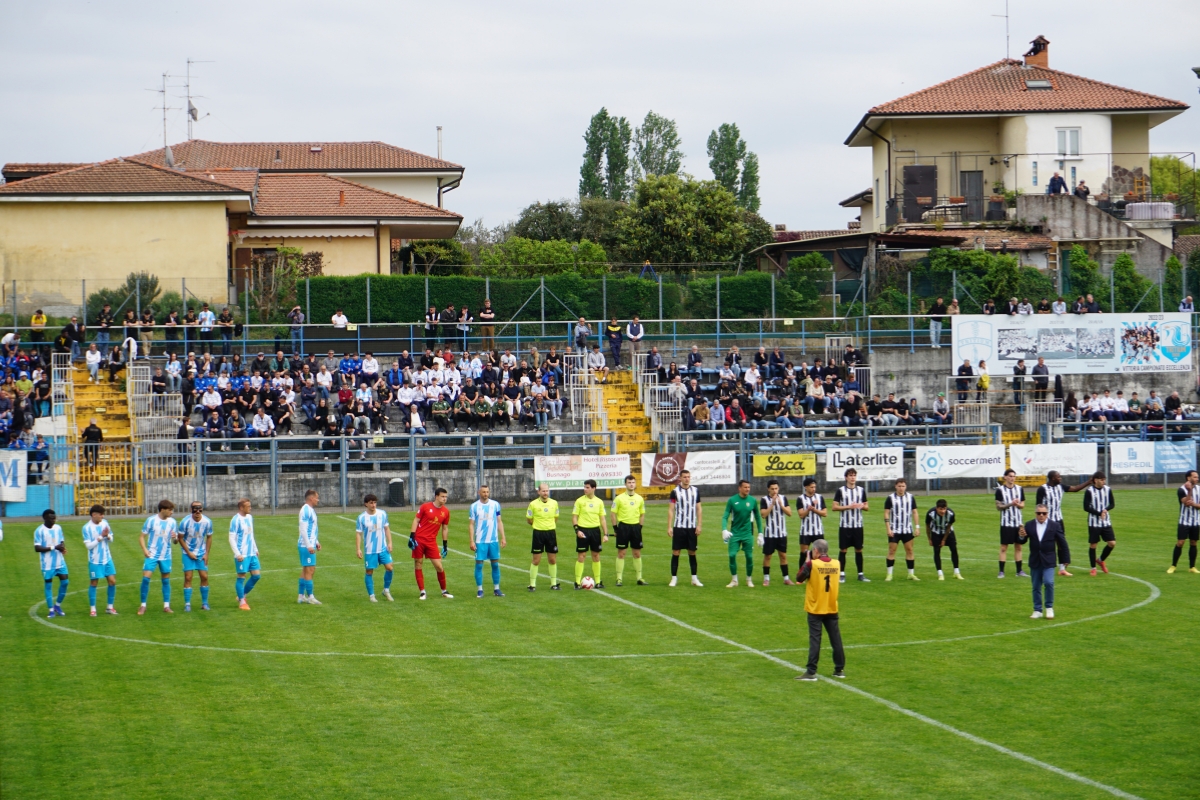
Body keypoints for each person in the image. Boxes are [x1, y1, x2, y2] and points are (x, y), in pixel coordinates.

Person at [794, 539, 846, 682]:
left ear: (815, 550)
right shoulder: (837, 563)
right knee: (836, 639)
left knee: (815, 639)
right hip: (831, 606)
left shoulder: (812, 564)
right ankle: (839, 669)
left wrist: (807, 561)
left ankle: (811, 671)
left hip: (815, 608)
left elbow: (799, 578)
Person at [1019, 504, 1068, 619]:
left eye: (1044, 513)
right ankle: (1037, 610)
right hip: (1035, 559)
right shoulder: (1029, 525)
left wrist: (1065, 559)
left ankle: (1049, 607)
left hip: (1049, 560)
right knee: (1036, 586)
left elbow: (1062, 542)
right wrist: (1021, 536)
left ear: (1047, 514)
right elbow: (1022, 541)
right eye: (1039, 513)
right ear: (1035, 514)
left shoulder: (1054, 525)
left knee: (1048, 582)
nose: (1041, 515)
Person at [410, 488, 452, 600]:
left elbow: (445, 528)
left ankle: (444, 591)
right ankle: (422, 592)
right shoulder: (425, 507)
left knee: (439, 566)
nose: (445, 499)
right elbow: (416, 520)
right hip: (419, 540)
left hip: (431, 541)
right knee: (418, 563)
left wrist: (445, 545)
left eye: (446, 497)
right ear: (436, 496)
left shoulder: (446, 512)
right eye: (443, 496)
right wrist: (412, 536)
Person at [138, 499, 177, 615]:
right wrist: (145, 550)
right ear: (162, 510)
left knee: (166, 580)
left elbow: (175, 542)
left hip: (166, 555)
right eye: (170, 510)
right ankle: (143, 605)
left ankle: (166, 606)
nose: (172, 512)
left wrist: (175, 538)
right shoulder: (151, 520)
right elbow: (141, 537)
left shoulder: (173, 522)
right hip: (152, 554)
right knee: (146, 578)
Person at [721, 479, 762, 588]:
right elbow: (725, 516)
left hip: (747, 534)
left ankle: (749, 579)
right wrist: (724, 529)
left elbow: (758, 517)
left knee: (749, 556)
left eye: (749, 487)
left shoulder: (752, 500)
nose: (747, 489)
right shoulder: (732, 500)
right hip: (735, 533)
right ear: (739, 488)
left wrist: (760, 533)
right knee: (732, 555)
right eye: (745, 487)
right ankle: (734, 580)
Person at [833, 468, 870, 583]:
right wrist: (849, 506)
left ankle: (860, 574)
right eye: (850, 475)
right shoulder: (840, 491)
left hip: (858, 525)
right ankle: (842, 574)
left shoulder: (861, 490)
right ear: (846, 478)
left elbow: (867, 506)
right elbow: (834, 507)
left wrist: (861, 506)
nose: (853, 477)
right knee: (843, 549)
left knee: (859, 549)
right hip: (845, 525)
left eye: (854, 475)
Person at [609, 475, 646, 587]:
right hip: (623, 527)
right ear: (625, 484)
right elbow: (613, 514)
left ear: (635, 484)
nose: (631, 484)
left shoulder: (639, 499)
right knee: (621, 553)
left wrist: (639, 527)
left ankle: (639, 578)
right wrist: (616, 528)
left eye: (633, 482)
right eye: (629, 482)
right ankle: (619, 578)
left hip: (635, 528)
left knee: (637, 553)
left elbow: (642, 514)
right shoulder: (619, 498)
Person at [469, 485, 506, 598]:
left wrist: (503, 537)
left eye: (487, 492)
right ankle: (480, 590)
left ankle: (496, 589)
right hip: (480, 541)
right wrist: (471, 540)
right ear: (479, 493)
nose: (486, 494)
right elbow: (471, 524)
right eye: (483, 492)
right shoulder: (474, 506)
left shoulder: (495, 505)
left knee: (495, 565)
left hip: (493, 540)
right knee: (479, 566)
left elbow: (499, 521)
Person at [356, 493, 394, 602]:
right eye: (371, 503)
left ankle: (386, 590)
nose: (373, 505)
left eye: (375, 502)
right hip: (370, 550)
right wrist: (358, 549)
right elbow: (358, 533)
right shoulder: (361, 518)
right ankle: (372, 596)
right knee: (369, 572)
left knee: (390, 568)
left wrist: (390, 542)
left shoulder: (382, 514)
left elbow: (386, 528)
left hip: (383, 548)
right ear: (366, 504)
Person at [668, 470, 702, 587]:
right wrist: (669, 526)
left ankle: (694, 578)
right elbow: (671, 509)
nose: (687, 479)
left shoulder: (695, 491)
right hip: (679, 526)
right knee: (676, 552)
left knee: (692, 552)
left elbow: (699, 508)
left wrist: (699, 525)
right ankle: (674, 578)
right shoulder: (675, 492)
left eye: (688, 477)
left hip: (691, 526)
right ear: (680, 478)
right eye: (685, 477)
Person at [82, 504, 117, 617]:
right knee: (94, 583)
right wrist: (101, 537)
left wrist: (108, 536)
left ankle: (110, 607)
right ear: (94, 515)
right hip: (95, 560)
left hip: (107, 558)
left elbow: (111, 539)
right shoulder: (86, 528)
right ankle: (93, 609)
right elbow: (88, 546)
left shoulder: (105, 523)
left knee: (112, 581)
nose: (103, 516)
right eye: (101, 514)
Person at [571, 479, 608, 589]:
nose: (585, 489)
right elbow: (574, 517)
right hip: (583, 530)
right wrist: (577, 530)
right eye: (584, 487)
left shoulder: (599, 502)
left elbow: (602, 519)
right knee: (581, 556)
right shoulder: (579, 501)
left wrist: (605, 534)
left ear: (593, 488)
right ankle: (577, 582)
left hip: (595, 531)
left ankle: (598, 582)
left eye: (587, 487)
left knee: (596, 556)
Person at [526, 482, 561, 592]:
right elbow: (529, 519)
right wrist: (538, 525)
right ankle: (532, 585)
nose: (545, 493)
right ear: (539, 492)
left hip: (551, 533)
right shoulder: (533, 504)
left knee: (552, 559)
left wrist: (549, 525)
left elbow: (556, 517)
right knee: (536, 560)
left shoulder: (554, 503)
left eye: (547, 491)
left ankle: (554, 584)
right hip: (538, 533)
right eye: (543, 491)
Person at [178, 501, 213, 612]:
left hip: (201, 553)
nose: (197, 511)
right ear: (191, 510)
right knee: (188, 577)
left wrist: (206, 554)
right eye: (195, 509)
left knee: (204, 576)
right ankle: (187, 604)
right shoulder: (185, 522)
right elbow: (180, 538)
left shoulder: (207, 522)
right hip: (187, 553)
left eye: (200, 509)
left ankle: (205, 603)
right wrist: (188, 552)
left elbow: (209, 537)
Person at [34, 509, 69, 618]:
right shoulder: (39, 531)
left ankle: (57, 606)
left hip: (60, 562)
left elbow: (61, 542)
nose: (53, 520)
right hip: (47, 564)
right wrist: (54, 547)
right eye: (51, 518)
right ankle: (51, 610)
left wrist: (62, 548)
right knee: (48, 585)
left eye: (54, 518)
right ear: (45, 518)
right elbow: (37, 548)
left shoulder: (58, 528)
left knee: (65, 582)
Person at [884, 479, 920, 581]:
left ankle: (911, 574)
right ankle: (889, 574)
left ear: (906, 487)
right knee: (892, 551)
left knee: (910, 550)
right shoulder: (890, 498)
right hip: (894, 530)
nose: (901, 488)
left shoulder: (910, 497)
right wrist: (888, 528)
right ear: (895, 486)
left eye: (903, 486)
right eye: (899, 486)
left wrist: (917, 527)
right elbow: (886, 513)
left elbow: (915, 512)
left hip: (907, 529)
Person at [229, 498, 262, 610]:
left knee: (256, 575)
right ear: (241, 508)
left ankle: (241, 595)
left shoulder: (249, 517)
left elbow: (251, 535)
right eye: (248, 506)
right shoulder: (235, 520)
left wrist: (255, 548)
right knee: (241, 577)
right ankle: (242, 602)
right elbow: (231, 538)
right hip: (242, 554)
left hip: (251, 553)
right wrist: (237, 554)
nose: (250, 508)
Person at [758, 479, 792, 586]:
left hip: (781, 533)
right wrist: (772, 504)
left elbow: (789, 513)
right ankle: (766, 578)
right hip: (770, 534)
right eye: (772, 489)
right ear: (768, 489)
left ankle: (786, 578)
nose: (774, 491)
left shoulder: (783, 498)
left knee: (783, 555)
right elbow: (763, 515)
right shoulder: (764, 500)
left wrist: (781, 505)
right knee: (768, 556)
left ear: (778, 488)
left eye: (776, 488)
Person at [996, 468, 1026, 578]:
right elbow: (998, 506)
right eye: (1010, 476)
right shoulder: (1000, 490)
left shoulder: (1019, 489)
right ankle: (1001, 572)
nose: (1012, 478)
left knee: (1018, 547)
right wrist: (1010, 504)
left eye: (1014, 476)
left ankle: (1019, 571)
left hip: (1018, 523)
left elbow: (1023, 505)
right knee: (1004, 547)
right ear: (1005, 477)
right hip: (1006, 523)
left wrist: (1017, 505)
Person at [1084, 472, 1116, 575]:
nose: (1103, 482)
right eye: (1101, 480)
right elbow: (1086, 507)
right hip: (1094, 522)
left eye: (1104, 479)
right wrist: (1099, 513)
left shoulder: (1108, 489)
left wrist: (1105, 510)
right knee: (1093, 544)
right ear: (1095, 480)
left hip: (1106, 521)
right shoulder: (1089, 491)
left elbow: (1112, 504)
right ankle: (1093, 568)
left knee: (1112, 543)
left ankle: (1100, 560)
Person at [1170, 470, 1200, 574]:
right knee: (1180, 542)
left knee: (1193, 542)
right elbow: (1186, 503)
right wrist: (1190, 491)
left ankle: (1192, 567)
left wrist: (1194, 504)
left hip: (1196, 521)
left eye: (1197, 477)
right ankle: (1173, 565)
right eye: (1195, 477)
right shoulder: (1181, 490)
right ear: (1188, 478)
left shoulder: (1199, 489)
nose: (1197, 479)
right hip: (1184, 521)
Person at [795, 477, 828, 571]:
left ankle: (818, 572)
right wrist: (808, 509)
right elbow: (801, 515)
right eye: (811, 487)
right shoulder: (800, 499)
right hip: (805, 531)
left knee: (820, 553)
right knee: (803, 553)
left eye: (814, 487)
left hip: (818, 531)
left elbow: (825, 513)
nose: (814, 489)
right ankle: (801, 574)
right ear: (806, 487)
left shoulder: (819, 497)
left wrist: (814, 509)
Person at [925, 499, 962, 580]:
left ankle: (956, 572)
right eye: (941, 509)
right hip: (936, 532)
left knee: (954, 549)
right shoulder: (930, 513)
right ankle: (940, 573)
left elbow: (949, 527)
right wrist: (929, 538)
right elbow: (927, 526)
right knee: (937, 551)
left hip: (948, 532)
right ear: (937, 508)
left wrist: (944, 540)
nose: (943, 511)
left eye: (944, 509)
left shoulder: (951, 513)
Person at [297, 489, 321, 605]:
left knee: (306, 570)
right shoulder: (305, 510)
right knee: (310, 570)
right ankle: (310, 597)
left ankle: (301, 596)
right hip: (305, 546)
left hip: (309, 544)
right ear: (311, 498)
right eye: (317, 498)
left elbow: (312, 529)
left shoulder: (310, 510)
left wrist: (316, 541)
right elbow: (303, 529)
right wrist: (308, 545)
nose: (318, 500)